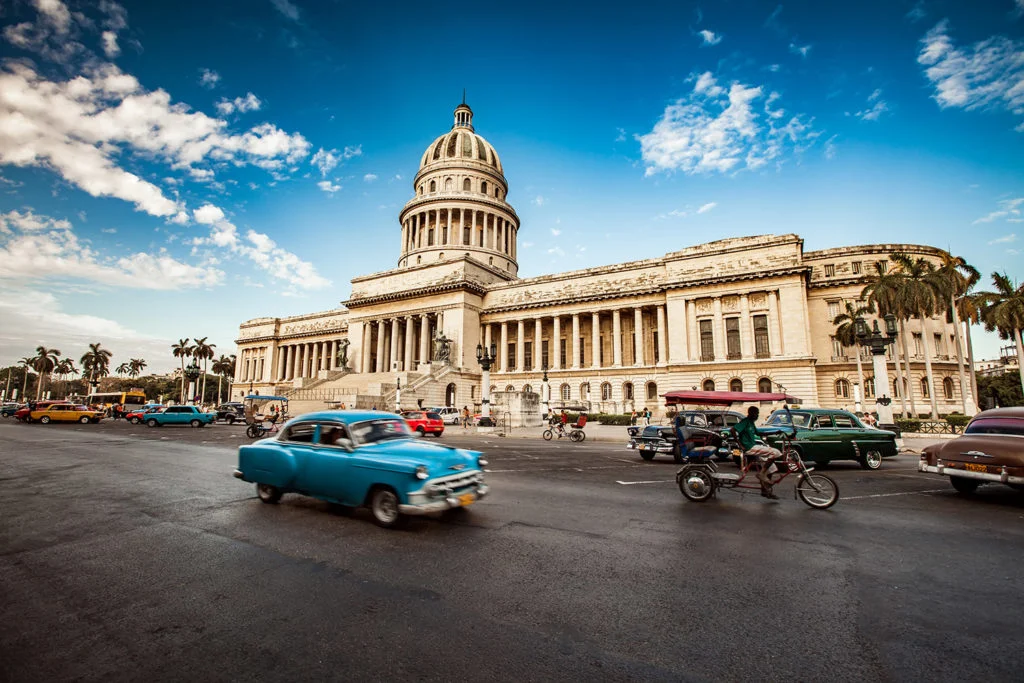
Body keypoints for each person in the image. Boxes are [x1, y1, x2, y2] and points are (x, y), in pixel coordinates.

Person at [732, 406, 783, 499]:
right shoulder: (745, 422)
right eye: (756, 413)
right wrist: (740, 445)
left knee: (772, 468)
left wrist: (774, 432)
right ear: (751, 413)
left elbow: (759, 433)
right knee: (775, 452)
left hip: (754, 446)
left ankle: (765, 490)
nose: (757, 415)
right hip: (749, 447)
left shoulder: (751, 423)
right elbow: (733, 430)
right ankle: (762, 474)